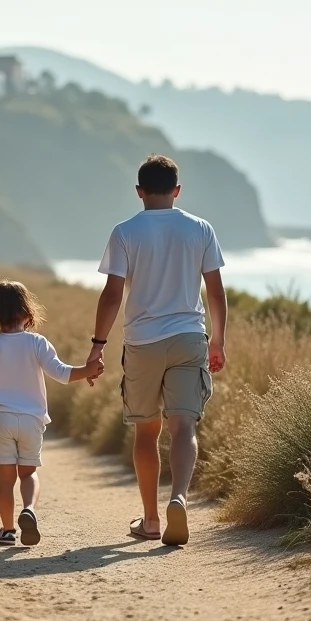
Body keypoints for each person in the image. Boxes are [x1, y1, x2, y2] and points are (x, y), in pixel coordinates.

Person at [86, 154, 227, 546]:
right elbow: (216, 292)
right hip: (189, 337)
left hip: (143, 341)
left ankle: (150, 520)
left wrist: (97, 346)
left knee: (146, 431)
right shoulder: (201, 229)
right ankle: (178, 498)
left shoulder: (125, 232)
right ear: (177, 190)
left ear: (139, 191)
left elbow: (112, 295)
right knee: (184, 426)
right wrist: (218, 340)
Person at [0, 281, 103, 546]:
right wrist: (88, 370)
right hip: (31, 420)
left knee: (6, 480)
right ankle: (29, 509)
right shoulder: (37, 343)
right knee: (28, 474)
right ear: (27, 313)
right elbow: (62, 373)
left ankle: (7, 531)